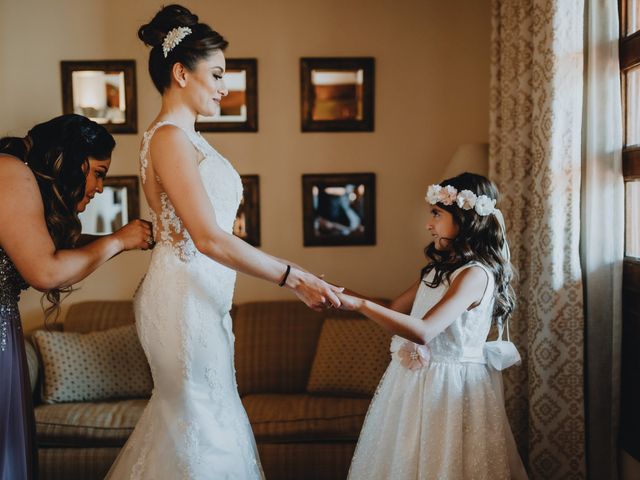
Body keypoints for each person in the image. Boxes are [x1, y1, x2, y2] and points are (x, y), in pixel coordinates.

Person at [105, 5, 342, 479]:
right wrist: (292, 276)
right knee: (203, 430)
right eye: (215, 74)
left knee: (203, 424)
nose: (224, 86)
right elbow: (209, 238)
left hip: (201, 297)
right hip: (182, 301)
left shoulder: (186, 138)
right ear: (180, 72)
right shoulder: (170, 138)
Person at [338, 172, 529, 479]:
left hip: (451, 386)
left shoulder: (475, 275)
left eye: (437, 215)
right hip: (415, 384)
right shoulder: (439, 270)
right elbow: (392, 310)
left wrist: (359, 305)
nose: (430, 225)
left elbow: (424, 330)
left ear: (465, 218)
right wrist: (338, 293)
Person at [0, 113, 154, 480]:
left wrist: (121, 241)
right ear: (72, 160)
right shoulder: (10, 171)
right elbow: (46, 271)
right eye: (98, 172)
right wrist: (119, 240)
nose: (99, 187)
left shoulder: (19, 175)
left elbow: (54, 248)